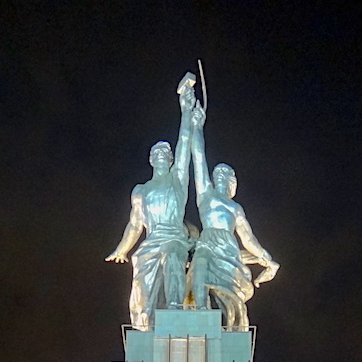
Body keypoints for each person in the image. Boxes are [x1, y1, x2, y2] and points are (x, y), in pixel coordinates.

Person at [106, 75, 198, 330]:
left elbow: (184, 145)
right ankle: (144, 324)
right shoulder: (141, 190)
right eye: (156, 153)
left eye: (165, 154)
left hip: (173, 240)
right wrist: (122, 249)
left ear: (170, 160)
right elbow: (135, 225)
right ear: (150, 159)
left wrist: (185, 112)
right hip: (150, 242)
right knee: (141, 284)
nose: (161, 155)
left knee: (171, 259)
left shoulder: (177, 180)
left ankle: (176, 312)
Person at [187, 102, 278, 330]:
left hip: (228, 249)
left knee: (229, 293)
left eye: (225, 175)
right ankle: (200, 312)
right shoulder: (205, 195)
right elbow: (198, 158)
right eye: (218, 174)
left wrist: (265, 257)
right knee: (198, 265)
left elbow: (248, 239)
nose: (220, 177)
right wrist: (196, 127)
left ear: (231, 184)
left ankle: (228, 323)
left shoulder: (235, 208)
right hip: (208, 241)